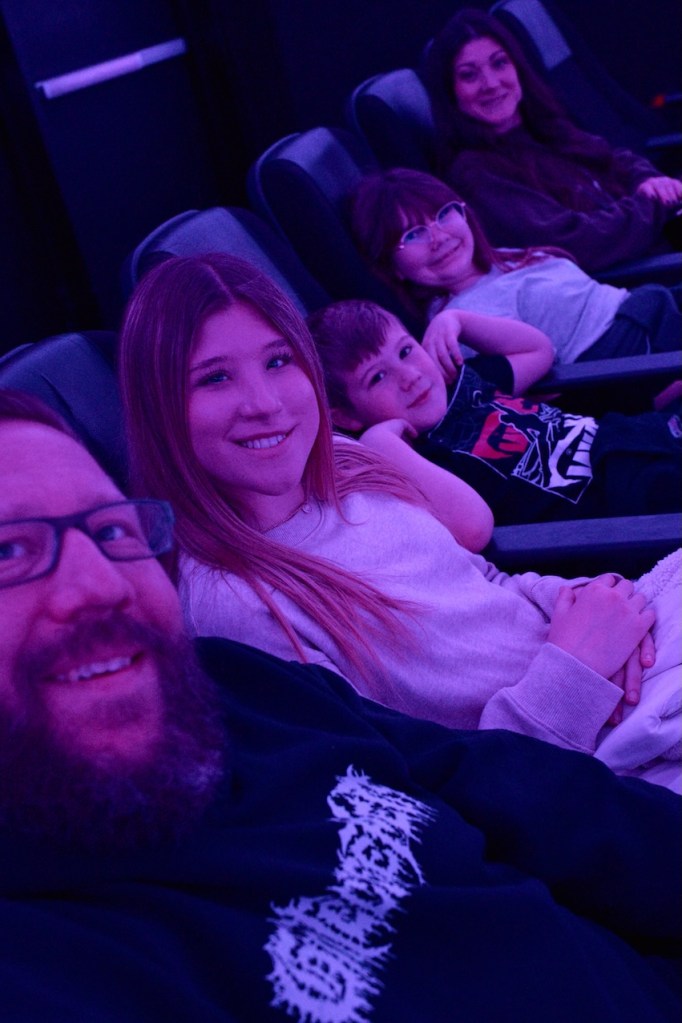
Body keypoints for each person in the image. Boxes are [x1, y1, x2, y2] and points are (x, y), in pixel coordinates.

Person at [1, 388, 681, 1023]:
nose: (102, 586)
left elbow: (519, 791)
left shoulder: (238, 684)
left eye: (112, 531)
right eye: (7, 550)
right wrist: (574, 671)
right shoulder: (47, 964)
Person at [118, 253, 681, 790]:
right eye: (215, 378)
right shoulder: (235, 609)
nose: (264, 403)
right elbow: (422, 794)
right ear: (159, 409)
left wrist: (591, 602)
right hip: (585, 759)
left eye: (278, 361)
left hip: (612, 662)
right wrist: (577, 668)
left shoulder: (341, 458)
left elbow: (484, 580)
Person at [306, 297, 682, 524]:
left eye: (406, 351)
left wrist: (458, 320)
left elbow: (538, 351)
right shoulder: (414, 458)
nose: (409, 376)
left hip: (627, 439)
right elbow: (472, 530)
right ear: (347, 416)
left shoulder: (461, 381)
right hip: (616, 503)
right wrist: (381, 445)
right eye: (377, 377)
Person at [423, 7, 682, 273]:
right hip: (645, 275)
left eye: (499, 63)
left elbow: (615, 160)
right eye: (469, 75)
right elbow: (576, 242)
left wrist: (649, 181)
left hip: (662, 238)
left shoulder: (543, 128)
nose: (491, 83)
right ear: (450, 92)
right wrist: (654, 205)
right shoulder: (476, 174)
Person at [350, 166, 682, 365]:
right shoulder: (459, 327)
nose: (438, 237)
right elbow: (565, 391)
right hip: (639, 358)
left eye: (443, 214)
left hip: (649, 314)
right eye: (413, 234)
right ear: (392, 266)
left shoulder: (502, 258)